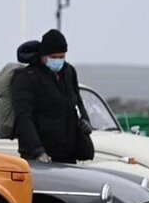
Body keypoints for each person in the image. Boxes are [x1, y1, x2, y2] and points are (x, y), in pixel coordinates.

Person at [11, 28, 94, 164]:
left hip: (68, 153)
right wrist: (38, 151)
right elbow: (24, 118)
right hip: (40, 156)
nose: (58, 61)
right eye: (53, 57)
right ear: (43, 56)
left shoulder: (68, 72)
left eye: (61, 57)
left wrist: (85, 121)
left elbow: (77, 102)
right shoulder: (27, 77)